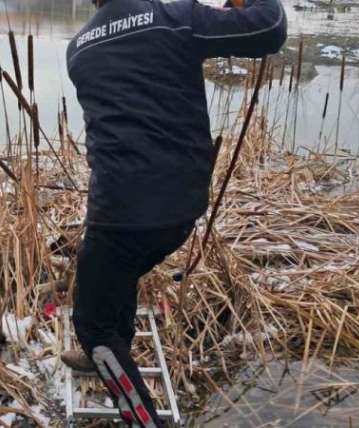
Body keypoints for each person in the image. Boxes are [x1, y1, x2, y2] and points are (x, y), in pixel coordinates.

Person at [63, 0, 287, 426]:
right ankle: (114, 347)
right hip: (181, 210)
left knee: (93, 327)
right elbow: (270, 26)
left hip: (119, 213)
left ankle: (140, 411)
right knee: (117, 273)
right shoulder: (175, 19)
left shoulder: (78, 49)